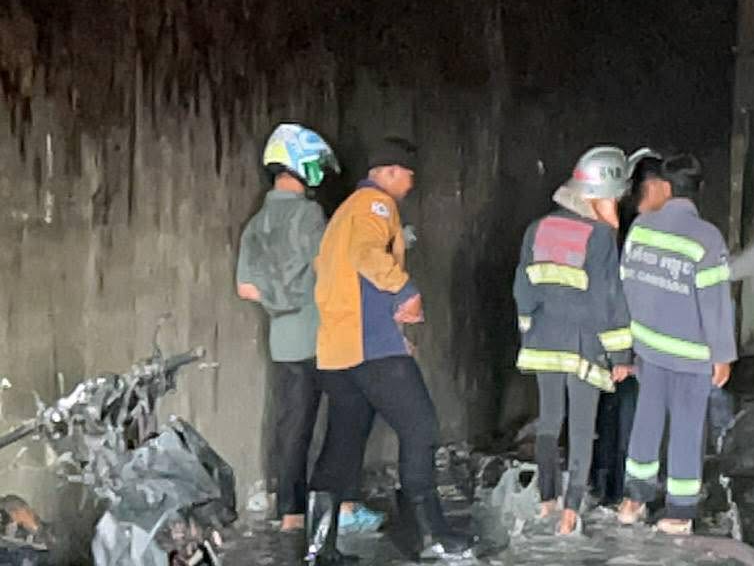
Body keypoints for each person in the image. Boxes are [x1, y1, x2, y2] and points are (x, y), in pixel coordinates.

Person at [305, 136, 472, 563]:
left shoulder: (344, 213)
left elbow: (335, 272)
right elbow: (367, 255)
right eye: (409, 176)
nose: (411, 185)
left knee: (342, 444)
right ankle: (429, 534)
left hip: (338, 348)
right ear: (391, 172)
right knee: (420, 428)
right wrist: (405, 291)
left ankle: (319, 547)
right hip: (371, 346)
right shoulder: (375, 205)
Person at [513, 146, 635, 535]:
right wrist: (620, 355)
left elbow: (523, 288)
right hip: (584, 345)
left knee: (550, 419)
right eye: (615, 199)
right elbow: (608, 300)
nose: (618, 207)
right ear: (599, 196)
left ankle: (546, 500)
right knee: (583, 428)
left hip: (543, 340)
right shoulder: (599, 237)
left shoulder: (537, 228)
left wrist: (528, 330)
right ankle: (570, 513)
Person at [236, 123, 349, 534]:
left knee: (291, 425)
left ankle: (290, 512)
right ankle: (338, 505)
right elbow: (328, 268)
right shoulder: (309, 214)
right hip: (320, 335)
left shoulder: (256, 223)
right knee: (346, 418)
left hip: (281, 339)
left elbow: (246, 288)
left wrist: (278, 298)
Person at [617, 154, 736, 534]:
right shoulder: (707, 238)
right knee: (687, 428)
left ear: (666, 188)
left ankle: (633, 501)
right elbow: (715, 304)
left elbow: (626, 283)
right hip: (690, 354)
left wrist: (631, 340)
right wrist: (723, 355)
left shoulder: (640, 228)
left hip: (648, 347)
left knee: (647, 420)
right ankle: (678, 512)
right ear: (698, 190)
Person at [590, 152, 664, 505]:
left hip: (607, 338)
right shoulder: (642, 230)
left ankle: (603, 485)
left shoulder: (614, 228)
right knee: (630, 416)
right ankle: (623, 492)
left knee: (609, 413)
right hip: (631, 340)